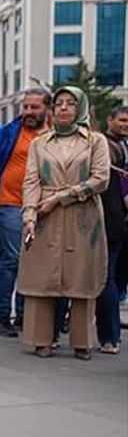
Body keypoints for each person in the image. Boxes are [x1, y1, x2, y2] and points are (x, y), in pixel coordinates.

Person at [18, 86, 109, 361]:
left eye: (71, 103)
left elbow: (101, 179)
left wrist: (60, 198)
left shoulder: (95, 141)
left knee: (82, 276)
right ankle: (40, 340)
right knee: (41, 277)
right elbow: (31, 180)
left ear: (81, 108)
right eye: (59, 103)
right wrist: (29, 214)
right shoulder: (40, 143)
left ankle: (82, 342)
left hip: (83, 216)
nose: (64, 108)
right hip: (44, 215)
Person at [0, 89, 53, 337]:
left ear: (47, 109)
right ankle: (2, 316)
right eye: (26, 107)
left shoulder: (54, 135)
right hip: (10, 204)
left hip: (45, 206)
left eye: (35, 107)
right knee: (12, 259)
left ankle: (25, 315)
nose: (29, 112)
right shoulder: (7, 132)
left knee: (32, 261)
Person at [98, 106, 128, 353]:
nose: (125, 124)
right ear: (110, 120)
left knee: (116, 278)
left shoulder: (123, 146)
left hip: (119, 223)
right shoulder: (104, 145)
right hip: (109, 220)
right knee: (106, 278)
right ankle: (110, 335)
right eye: (122, 120)